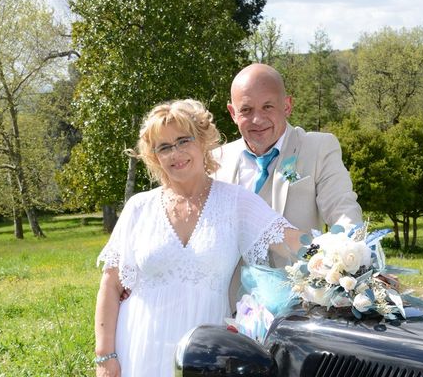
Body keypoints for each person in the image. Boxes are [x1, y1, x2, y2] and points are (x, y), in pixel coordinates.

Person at [94, 99, 302, 377]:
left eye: (183, 140)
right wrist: (105, 357)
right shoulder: (139, 207)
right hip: (138, 347)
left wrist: (346, 260)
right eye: (164, 147)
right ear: (154, 156)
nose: (175, 153)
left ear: (203, 140)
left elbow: (295, 243)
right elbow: (110, 286)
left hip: (206, 357)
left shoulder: (237, 202)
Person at [213, 63, 362, 234]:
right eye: (246, 110)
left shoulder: (319, 149)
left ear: (287, 106)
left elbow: (343, 211)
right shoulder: (215, 161)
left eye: (267, 107)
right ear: (233, 113)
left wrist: (347, 251)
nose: (257, 120)